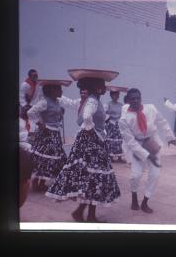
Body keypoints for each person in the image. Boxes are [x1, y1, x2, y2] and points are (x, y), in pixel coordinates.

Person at [46, 70, 121, 223]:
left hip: (91, 142)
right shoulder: (93, 100)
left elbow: (89, 116)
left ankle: (81, 212)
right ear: (97, 87)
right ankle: (89, 216)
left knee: (92, 178)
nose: (105, 87)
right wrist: (90, 129)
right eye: (102, 85)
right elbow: (86, 116)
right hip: (91, 143)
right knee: (95, 177)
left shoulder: (93, 100)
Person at [119, 88, 176, 213]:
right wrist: (146, 155)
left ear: (141, 98)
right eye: (132, 99)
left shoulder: (150, 108)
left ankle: (145, 201)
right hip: (137, 146)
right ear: (128, 101)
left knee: (155, 174)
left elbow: (162, 122)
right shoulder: (124, 119)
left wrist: (170, 137)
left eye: (138, 98)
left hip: (152, 142)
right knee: (136, 175)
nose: (136, 101)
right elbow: (130, 141)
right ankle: (134, 196)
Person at [26, 79, 74, 192]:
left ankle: (42, 182)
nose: (61, 91)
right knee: (43, 158)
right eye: (59, 89)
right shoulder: (44, 102)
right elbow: (30, 112)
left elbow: (56, 115)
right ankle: (35, 182)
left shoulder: (57, 102)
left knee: (50, 159)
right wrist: (40, 123)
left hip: (55, 133)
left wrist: (60, 114)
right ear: (52, 90)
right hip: (46, 133)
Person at [104, 86, 128, 163]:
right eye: (114, 94)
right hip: (111, 125)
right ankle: (111, 157)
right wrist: (108, 120)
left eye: (117, 95)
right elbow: (104, 114)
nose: (116, 96)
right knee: (111, 141)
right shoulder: (108, 105)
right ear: (111, 95)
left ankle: (120, 157)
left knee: (120, 141)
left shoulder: (121, 105)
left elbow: (124, 114)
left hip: (119, 125)